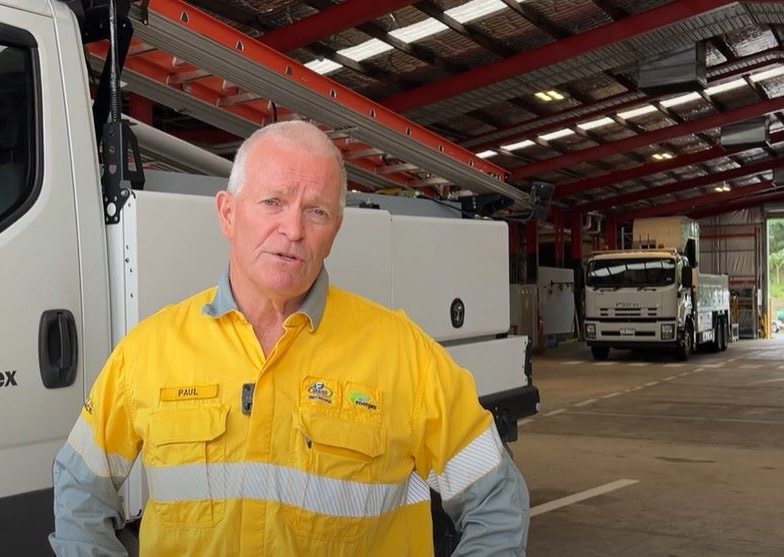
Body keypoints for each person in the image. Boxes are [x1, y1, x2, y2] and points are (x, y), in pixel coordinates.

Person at [50, 121, 530, 556]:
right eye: (272, 202)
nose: (293, 230)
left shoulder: (405, 356)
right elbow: (81, 490)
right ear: (228, 214)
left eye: (316, 211)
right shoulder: (149, 351)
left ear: (335, 230)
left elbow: (496, 500)